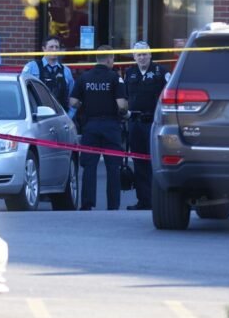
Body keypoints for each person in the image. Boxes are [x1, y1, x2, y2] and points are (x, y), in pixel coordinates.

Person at [69, 45, 128, 211]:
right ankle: (113, 205)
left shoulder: (84, 77)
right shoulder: (115, 78)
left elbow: (73, 101)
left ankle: (87, 204)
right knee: (113, 167)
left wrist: (84, 106)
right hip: (111, 126)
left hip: (90, 126)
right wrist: (125, 113)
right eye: (113, 58)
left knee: (89, 166)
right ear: (109, 59)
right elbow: (121, 105)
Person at [124, 41, 171, 210]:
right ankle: (143, 200)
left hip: (153, 123)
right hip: (135, 123)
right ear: (134, 56)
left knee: (155, 162)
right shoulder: (129, 73)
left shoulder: (161, 72)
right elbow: (125, 97)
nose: (142, 57)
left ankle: (158, 200)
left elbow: (169, 94)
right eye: (139, 55)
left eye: (145, 54)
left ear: (150, 54)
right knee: (139, 162)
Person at [22, 35, 74, 116]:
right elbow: (23, 92)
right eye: (51, 47)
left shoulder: (66, 71)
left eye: (57, 47)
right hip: (38, 116)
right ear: (44, 49)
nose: (54, 49)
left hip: (60, 116)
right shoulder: (32, 67)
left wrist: (70, 116)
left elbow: (72, 97)